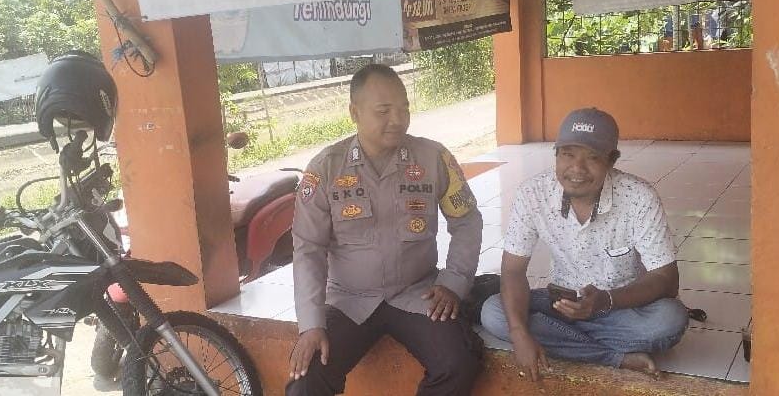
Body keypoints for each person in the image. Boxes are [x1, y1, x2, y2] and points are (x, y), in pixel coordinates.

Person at [286, 64, 484, 396]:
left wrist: (453, 281)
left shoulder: (433, 158)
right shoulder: (326, 169)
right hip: (349, 300)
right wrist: (311, 324)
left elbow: (467, 221)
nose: (398, 119)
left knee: (459, 361)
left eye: (404, 108)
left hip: (417, 293)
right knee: (306, 380)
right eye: (384, 111)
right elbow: (308, 249)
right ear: (354, 112)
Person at [479, 107, 688, 380]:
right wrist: (519, 334)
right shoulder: (533, 193)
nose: (577, 169)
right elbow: (512, 270)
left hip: (621, 306)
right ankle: (614, 356)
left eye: (592, 157)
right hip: (561, 305)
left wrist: (605, 301)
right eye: (568, 154)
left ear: (611, 160)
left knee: (670, 319)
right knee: (493, 311)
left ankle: (565, 341)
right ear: (556, 154)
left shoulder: (639, 197)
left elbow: (667, 280)